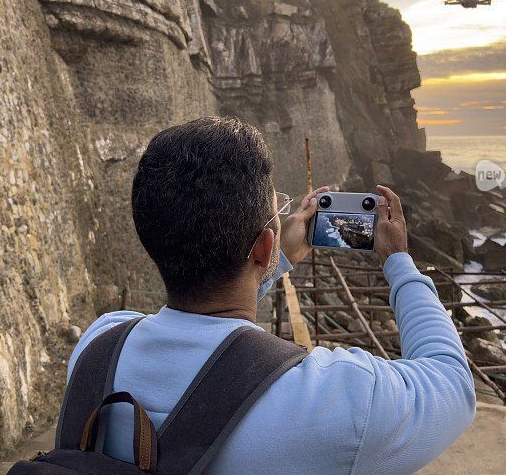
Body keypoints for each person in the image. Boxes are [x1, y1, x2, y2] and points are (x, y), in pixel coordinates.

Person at [67, 116, 476, 474]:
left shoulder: (98, 346)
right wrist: (399, 261)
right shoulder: (335, 401)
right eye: (277, 210)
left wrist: (275, 257)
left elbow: (210, 316)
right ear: (263, 247)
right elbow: (452, 383)